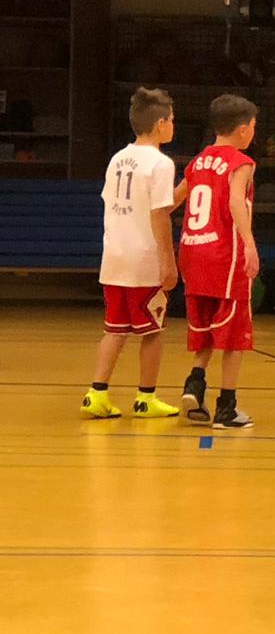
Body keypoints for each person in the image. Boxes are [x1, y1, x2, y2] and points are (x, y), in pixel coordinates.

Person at [82, 87, 182, 420]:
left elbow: (126, 205)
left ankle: (97, 393)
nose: (173, 125)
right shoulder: (161, 163)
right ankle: (145, 398)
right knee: (152, 331)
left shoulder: (117, 159)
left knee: (115, 329)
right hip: (144, 259)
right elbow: (159, 215)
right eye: (171, 120)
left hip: (114, 257)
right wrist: (169, 261)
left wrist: (182, 191)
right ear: (160, 124)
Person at [177, 94, 260, 429]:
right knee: (233, 336)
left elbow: (173, 200)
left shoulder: (197, 162)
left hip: (193, 252)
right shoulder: (242, 162)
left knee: (206, 327)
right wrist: (250, 244)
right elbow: (237, 202)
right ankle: (227, 408)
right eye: (254, 126)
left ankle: (195, 384)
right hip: (225, 256)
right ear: (243, 129)